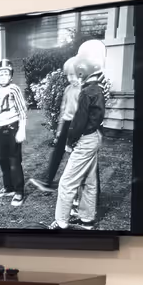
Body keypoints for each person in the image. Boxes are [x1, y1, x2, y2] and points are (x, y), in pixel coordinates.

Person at [52, 51, 108, 229]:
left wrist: (70, 141)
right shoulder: (98, 89)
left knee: (67, 182)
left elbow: (79, 122)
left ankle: (61, 221)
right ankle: (87, 220)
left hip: (85, 139)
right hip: (96, 136)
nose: (73, 77)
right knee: (90, 180)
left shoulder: (86, 93)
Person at [0, 60, 26, 206]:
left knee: (14, 161)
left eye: (6, 73)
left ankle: (19, 191)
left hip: (13, 127)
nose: (3, 76)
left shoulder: (14, 89)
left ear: (11, 76)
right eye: (0, 74)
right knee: (2, 159)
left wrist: (21, 129)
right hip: (1, 128)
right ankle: (8, 187)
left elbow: (22, 110)